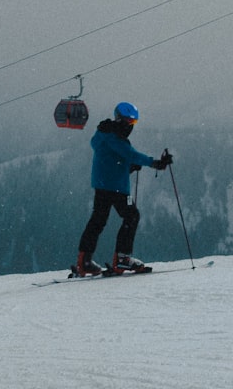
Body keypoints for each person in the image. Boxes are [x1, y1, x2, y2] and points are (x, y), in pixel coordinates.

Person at [72, 102, 173, 276]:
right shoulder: (114, 137)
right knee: (131, 216)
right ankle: (122, 260)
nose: (129, 125)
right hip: (117, 188)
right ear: (119, 118)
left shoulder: (104, 134)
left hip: (103, 185)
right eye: (128, 121)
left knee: (98, 221)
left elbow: (113, 158)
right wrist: (156, 163)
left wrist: (127, 167)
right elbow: (130, 154)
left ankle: (84, 261)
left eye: (133, 122)